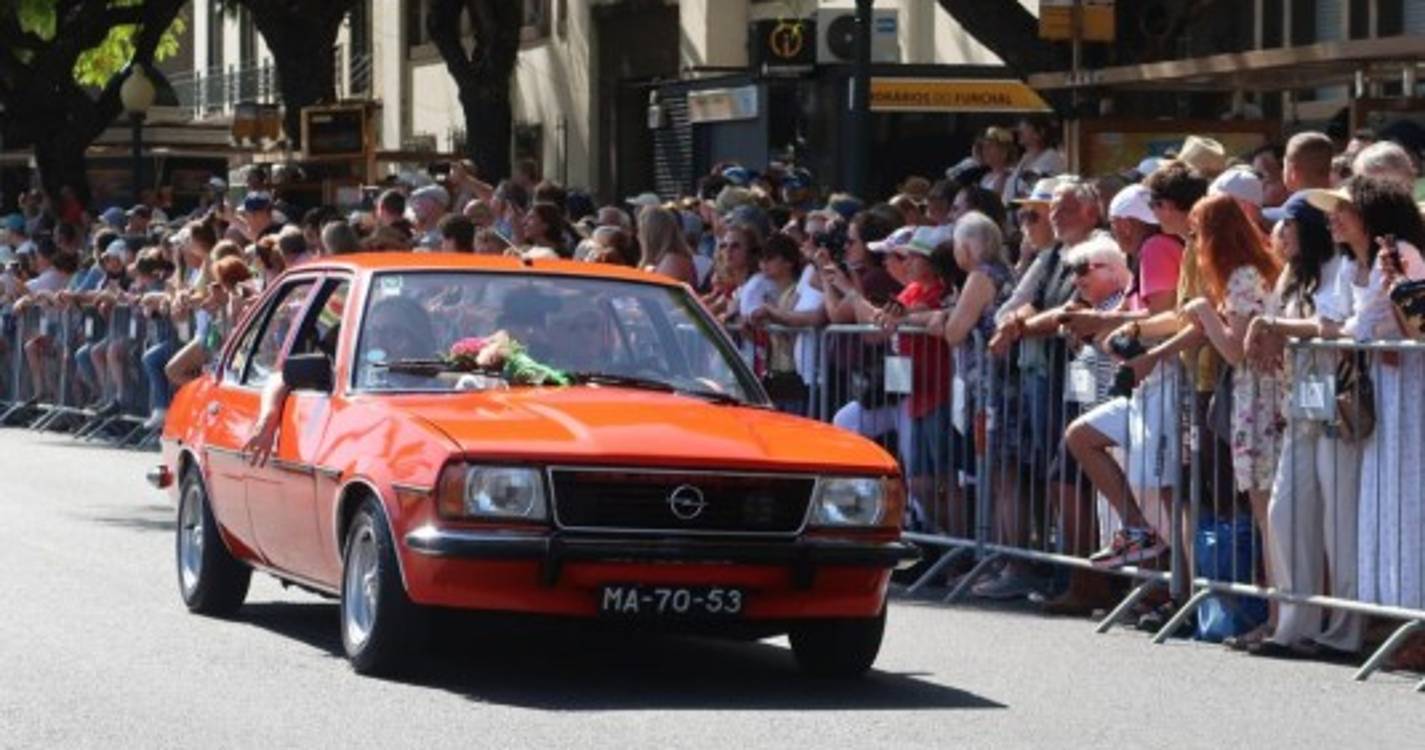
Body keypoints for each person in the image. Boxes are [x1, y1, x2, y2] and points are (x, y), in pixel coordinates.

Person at [1243, 194, 1361, 659]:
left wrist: (1278, 328)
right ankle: (1294, 623)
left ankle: (1345, 630)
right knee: (1285, 512)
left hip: (1339, 404)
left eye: (1288, 225)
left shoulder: (1343, 267)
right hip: (1301, 404)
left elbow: (1338, 324)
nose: (1280, 234)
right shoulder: (1293, 276)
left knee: (1338, 519)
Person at [637, 207, 697, 286]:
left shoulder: (672, 262)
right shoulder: (665, 259)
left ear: (650, 235)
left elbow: (658, 294)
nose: (638, 235)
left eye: (641, 230)